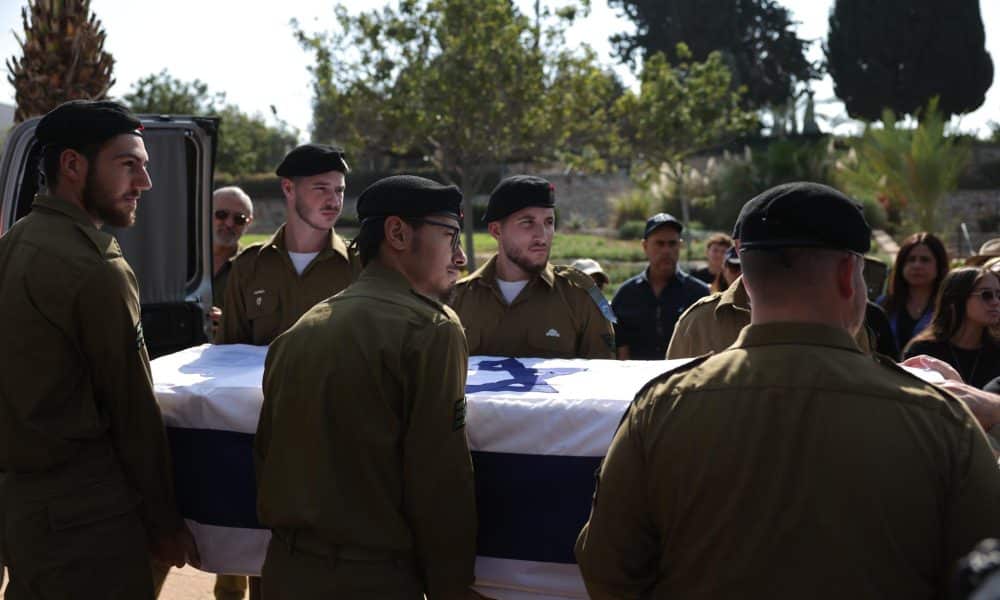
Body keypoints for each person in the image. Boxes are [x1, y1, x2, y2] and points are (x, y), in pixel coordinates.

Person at [575, 181, 1000, 598]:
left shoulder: (660, 408)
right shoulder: (941, 420)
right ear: (848, 277)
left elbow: (608, 571)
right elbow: (984, 575)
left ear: (749, 278)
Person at [0, 100, 198, 597]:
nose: (144, 183)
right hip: (88, 523)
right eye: (128, 164)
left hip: (25, 512)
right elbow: (131, 407)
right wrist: (164, 521)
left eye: (146, 167)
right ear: (72, 165)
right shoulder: (96, 268)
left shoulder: (14, 244)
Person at [255, 175, 484, 599]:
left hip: (285, 573)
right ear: (397, 233)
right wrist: (450, 587)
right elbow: (439, 479)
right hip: (373, 579)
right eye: (449, 236)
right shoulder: (430, 329)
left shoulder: (300, 331)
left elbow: (269, 453)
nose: (461, 257)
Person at [450, 175, 615, 358]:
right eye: (527, 223)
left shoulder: (579, 297)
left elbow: (603, 377)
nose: (542, 236)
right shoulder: (458, 300)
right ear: (496, 231)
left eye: (549, 222)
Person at [216, 144, 358, 345]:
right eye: (321, 189)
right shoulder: (248, 267)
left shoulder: (359, 266)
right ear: (289, 188)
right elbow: (229, 353)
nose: (334, 201)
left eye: (339, 190)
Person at [611, 213, 710, 360]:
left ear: (680, 245)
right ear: (645, 246)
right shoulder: (626, 295)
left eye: (672, 244)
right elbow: (621, 349)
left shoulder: (698, 294)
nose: (666, 251)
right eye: (659, 243)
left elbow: (707, 347)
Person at [903, 267, 1000, 389]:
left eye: (999, 295)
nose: (996, 302)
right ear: (956, 299)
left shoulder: (997, 349)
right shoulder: (923, 351)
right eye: (986, 295)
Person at [880, 232, 949, 352]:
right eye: (911, 260)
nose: (916, 265)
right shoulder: (884, 305)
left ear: (939, 265)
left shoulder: (949, 307)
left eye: (925, 260)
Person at [209, 186, 254, 335]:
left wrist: (229, 323)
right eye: (221, 215)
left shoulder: (255, 268)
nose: (229, 223)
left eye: (239, 219)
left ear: (249, 223)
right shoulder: (180, 261)